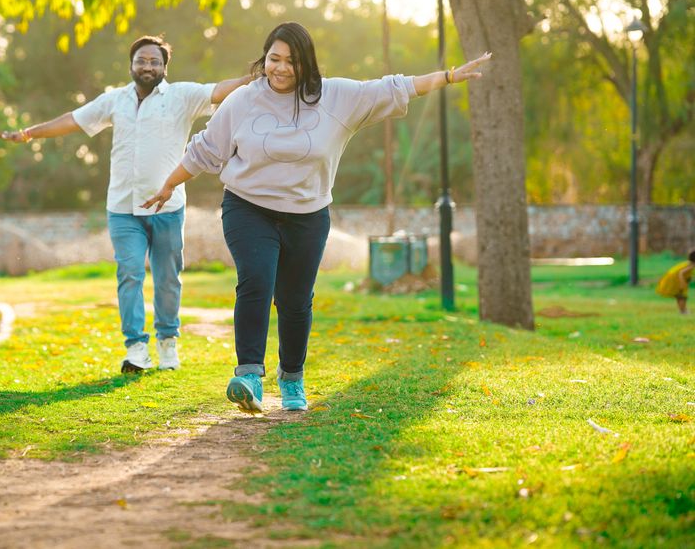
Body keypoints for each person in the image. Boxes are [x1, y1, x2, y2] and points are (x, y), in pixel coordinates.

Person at [142, 21, 491, 412]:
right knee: (256, 279)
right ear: (264, 59)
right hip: (247, 206)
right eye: (274, 59)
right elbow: (205, 149)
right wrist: (170, 183)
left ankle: (291, 377)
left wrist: (447, 76)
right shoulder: (243, 100)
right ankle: (249, 376)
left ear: (306, 64)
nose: (281, 68)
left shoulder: (335, 97)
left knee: (295, 300)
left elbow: (393, 86)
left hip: (307, 215)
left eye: (291, 61)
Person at [0, 35, 252, 373]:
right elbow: (73, 120)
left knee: (167, 279)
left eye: (155, 61)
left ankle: (167, 342)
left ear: (164, 68)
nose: (148, 66)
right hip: (122, 207)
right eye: (142, 60)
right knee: (129, 274)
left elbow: (219, 90)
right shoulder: (115, 100)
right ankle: (136, 349)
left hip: (167, 207)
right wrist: (29, 133)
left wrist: (257, 77)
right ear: (131, 64)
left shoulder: (181, 96)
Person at [655, 249, 695, 314]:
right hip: (675, 279)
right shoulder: (691, 265)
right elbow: (681, 273)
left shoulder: (688, 263)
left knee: (679, 295)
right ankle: (683, 311)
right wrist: (682, 283)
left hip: (672, 278)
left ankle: (682, 310)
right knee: (682, 296)